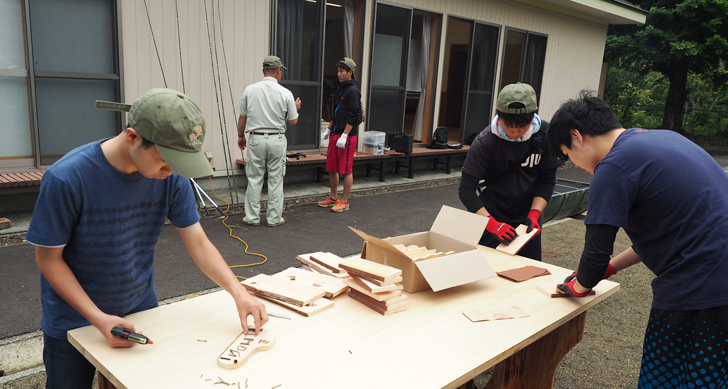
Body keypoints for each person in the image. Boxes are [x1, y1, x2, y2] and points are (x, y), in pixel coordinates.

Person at [26, 88, 269, 389]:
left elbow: (199, 242)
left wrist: (239, 292)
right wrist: (99, 318)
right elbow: (48, 260)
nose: (170, 172)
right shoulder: (67, 178)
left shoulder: (172, 176)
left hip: (140, 309)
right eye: (165, 161)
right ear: (132, 137)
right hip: (73, 318)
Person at [547, 91, 728, 388]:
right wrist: (611, 268)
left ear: (577, 136)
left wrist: (578, 285)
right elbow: (671, 230)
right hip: (719, 279)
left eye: (568, 156)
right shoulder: (661, 139)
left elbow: (595, 254)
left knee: (665, 377)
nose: (575, 164)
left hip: (699, 285)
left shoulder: (614, 166)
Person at [458, 83, 563, 261]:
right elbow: (466, 190)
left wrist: (535, 213)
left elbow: (547, 181)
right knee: (487, 272)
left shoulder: (545, 135)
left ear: (534, 113)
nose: (515, 133)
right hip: (492, 216)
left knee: (527, 272)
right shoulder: (485, 142)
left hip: (528, 221)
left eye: (522, 128)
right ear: (497, 112)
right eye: (509, 127)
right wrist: (492, 224)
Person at [236, 55, 301, 226]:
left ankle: (252, 217)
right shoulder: (286, 93)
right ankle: (273, 218)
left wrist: (241, 136)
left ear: (263, 70)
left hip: (256, 138)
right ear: (279, 71)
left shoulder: (250, 89)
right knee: (275, 179)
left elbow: (242, 116)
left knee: (254, 178)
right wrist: (295, 108)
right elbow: (293, 121)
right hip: (276, 139)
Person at [318, 57, 362, 213]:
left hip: (347, 136)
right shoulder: (340, 88)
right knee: (332, 167)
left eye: (342, 71)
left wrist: (345, 135)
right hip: (336, 133)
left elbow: (355, 115)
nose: (338, 74)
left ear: (350, 72)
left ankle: (344, 201)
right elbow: (336, 111)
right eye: (338, 71)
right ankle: (333, 197)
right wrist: (329, 128)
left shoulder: (353, 90)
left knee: (346, 169)